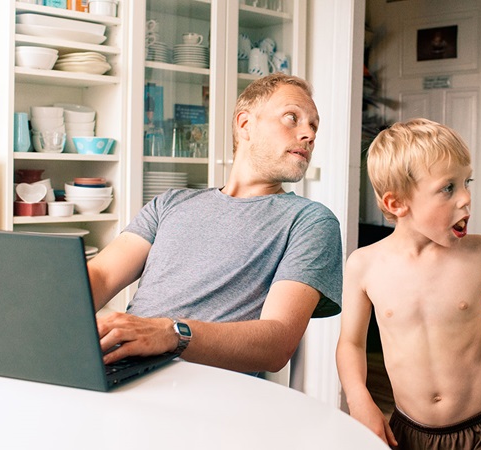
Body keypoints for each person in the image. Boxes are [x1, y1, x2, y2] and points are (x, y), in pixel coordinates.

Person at [89, 73, 343, 375]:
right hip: (121, 369)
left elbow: (277, 343)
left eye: (314, 126)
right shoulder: (170, 204)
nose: (309, 134)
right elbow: (102, 275)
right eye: (292, 118)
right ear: (245, 124)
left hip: (207, 391)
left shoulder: (310, 222)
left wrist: (172, 334)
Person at [336, 118, 481, 449]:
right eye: (448, 188)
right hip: (408, 430)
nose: (466, 198)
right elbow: (351, 344)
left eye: (466, 182)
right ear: (396, 203)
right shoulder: (364, 265)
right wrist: (360, 402)